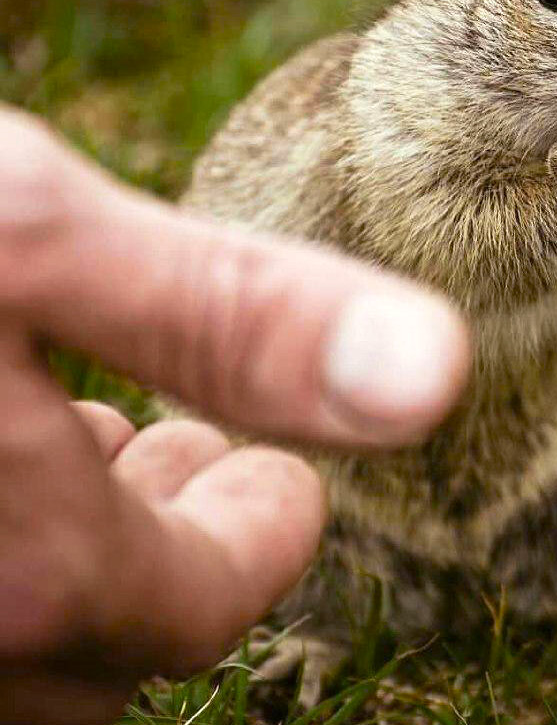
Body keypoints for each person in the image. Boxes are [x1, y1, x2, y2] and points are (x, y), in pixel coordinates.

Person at [0, 105, 470, 725]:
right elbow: (451, 258)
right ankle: (318, 630)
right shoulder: (403, 121)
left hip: (547, 442)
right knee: (293, 501)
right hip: (308, 458)